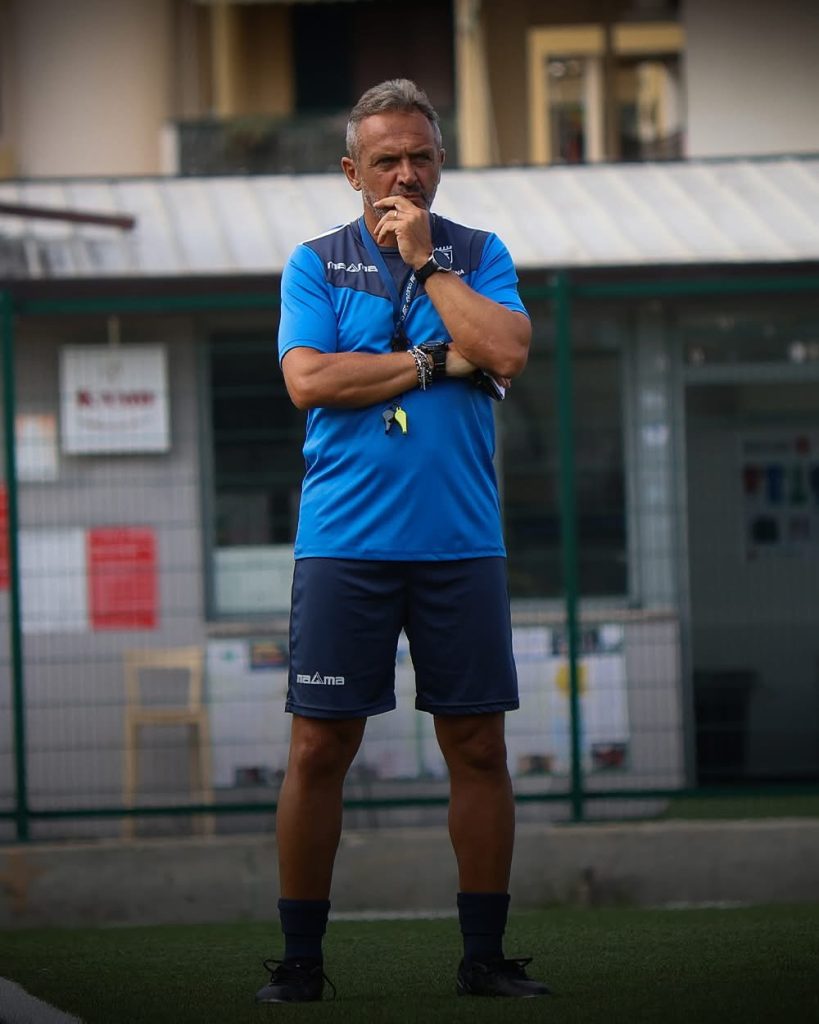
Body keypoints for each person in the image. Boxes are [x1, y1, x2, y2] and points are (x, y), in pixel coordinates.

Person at [255, 78, 550, 1004]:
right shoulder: (314, 263)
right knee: (318, 750)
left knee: (478, 747)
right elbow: (309, 381)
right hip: (343, 544)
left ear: (440, 163)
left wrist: (428, 269)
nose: (405, 174)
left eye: (420, 157)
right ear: (352, 172)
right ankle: (300, 963)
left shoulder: (479, 253)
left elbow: (504, 350)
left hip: (460, 543)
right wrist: (429, 362)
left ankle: (484, 959)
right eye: (385, 160)